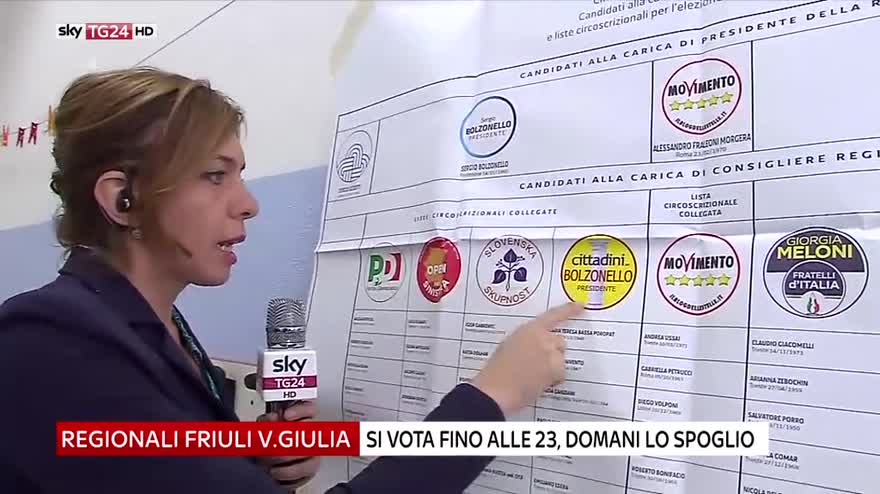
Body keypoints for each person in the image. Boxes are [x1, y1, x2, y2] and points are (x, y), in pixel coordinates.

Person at [0, 67, 583, 494]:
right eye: (214, 176)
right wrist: (491, 398)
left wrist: (248, 468)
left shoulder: (160, 328)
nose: (248, 204)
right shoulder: (47, 344)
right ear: (122, 198)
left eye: (240, 175)